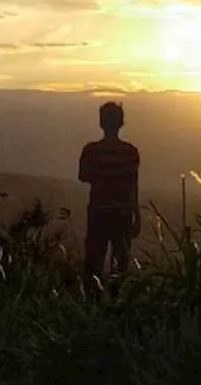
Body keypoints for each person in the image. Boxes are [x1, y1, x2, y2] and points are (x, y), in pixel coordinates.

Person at [78, 101, 141, 278]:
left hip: (98, 212)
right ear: (121, 123)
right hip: (123, 213)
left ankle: (92, 300)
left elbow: (83, 176)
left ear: (101, 122)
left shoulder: (91, 151)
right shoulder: (130, 152)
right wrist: (137, 215)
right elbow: (133, 185)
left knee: (93, 261)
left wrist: (102, 174)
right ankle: (117, 300)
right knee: (121, 264)